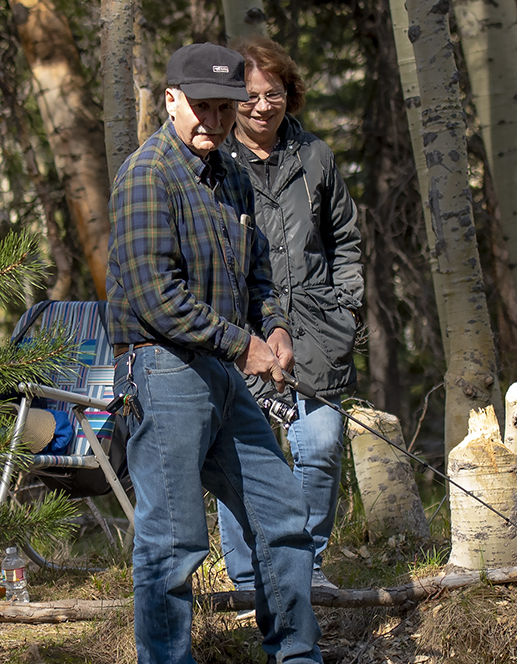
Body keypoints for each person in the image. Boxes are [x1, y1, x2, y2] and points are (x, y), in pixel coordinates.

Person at [107, 42, 361, 664]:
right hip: (163, 370)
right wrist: (241, 342)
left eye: (224, 106)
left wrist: (273, 326)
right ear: (169, 99)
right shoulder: (147, 176)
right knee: (175, 536)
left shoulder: (230, 178)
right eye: (204, 106)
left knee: (282, 514)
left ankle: (294, 663)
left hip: (222, 372)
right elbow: (157, 298)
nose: (215, 120)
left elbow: (257, 276)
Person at [216, 38, 364, 594]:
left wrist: (346, 304)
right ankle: (250, 577)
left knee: (321, 442)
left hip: (318, 328)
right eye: (249, 96)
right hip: (243, 333)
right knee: (246, 454)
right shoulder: (213, 159)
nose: (260, 106)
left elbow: (344, 236)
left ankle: (308, 566)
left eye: (272, 93)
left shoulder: (315, 157)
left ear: (289, 94)